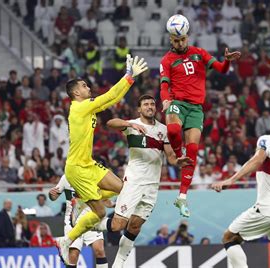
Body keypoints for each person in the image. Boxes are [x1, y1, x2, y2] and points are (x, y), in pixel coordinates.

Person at [56, 54, 148, 264]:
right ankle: (68, 239)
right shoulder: (80, 106)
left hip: (88, 164)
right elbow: (109, 97)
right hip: (77, 169)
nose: (88, 87)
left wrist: (130, 79)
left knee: (124, 189)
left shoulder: (85, 107)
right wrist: (128, 76)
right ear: (76, 92)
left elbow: (111, 99)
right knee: (98, 212)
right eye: (84, 85)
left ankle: (93, 210)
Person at [160, 14, 241, 217]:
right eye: (176, 40)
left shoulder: (199, 53)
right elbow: (164, 85)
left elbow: (222, 70)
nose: (180, 43)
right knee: (173, 129)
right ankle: (179, 156)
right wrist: (165, 100)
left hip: (196, 108)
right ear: (171, 40)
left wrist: (227, 61)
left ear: (187, 37)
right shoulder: (167, 60)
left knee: (194, 149)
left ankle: (182, 197)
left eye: (183, 39)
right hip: (177, 103)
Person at [103, 94, 191, 267]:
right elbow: (110, 123)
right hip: (134, 182)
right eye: (145, 104)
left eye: (152, 104)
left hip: (152, 186)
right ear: (139, 108)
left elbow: (171, 157)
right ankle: (86, 225)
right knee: (117, 225)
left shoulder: (164, 130)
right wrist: (130, 124)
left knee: (135, 226)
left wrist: (179, 161)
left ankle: (118, 265)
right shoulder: (132, 125)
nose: (150, 107)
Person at [212, 107, 270, 268]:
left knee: (229, 237)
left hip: (268, 207)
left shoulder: (267, 140)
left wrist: (231, 179)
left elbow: (257, 160)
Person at [49, 175, 111, 268]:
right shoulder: (66, 177)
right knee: (73, 255)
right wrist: (51, 194)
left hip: (91, 219)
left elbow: (102, 194)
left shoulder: (91, 174)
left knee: (99, 250)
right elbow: (53, 197)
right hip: (72, 222)